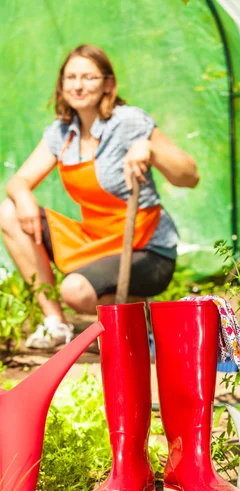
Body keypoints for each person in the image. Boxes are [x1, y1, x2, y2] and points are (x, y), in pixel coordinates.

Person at [1, 44, 199, 349]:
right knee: (8, 211)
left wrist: (151, 149)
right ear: (62, 84)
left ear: (108, 84)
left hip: (144, 247)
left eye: (89, 77)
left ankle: (135, 310)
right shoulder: (63, 131)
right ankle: (56, 322)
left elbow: (190, 176)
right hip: (96, 240)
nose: (78, 85)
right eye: (71, 77)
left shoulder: (128, 122)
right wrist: (23, 194)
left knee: (75, 291)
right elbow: (19, 180)